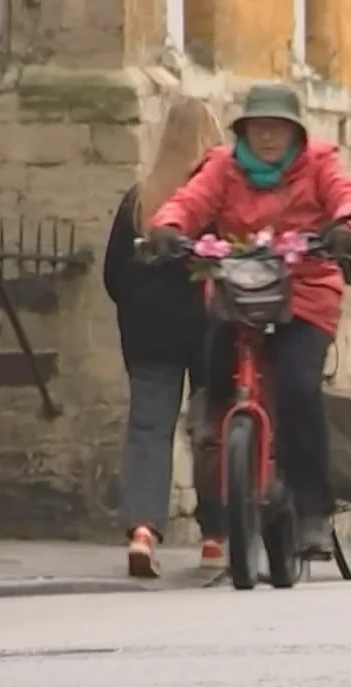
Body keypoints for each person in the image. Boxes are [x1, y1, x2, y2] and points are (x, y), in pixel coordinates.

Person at [142, 82, 351, 559]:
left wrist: (345, 226)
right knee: (215, 362)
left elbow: (346, 195)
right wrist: (167, 228)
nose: (268, 138)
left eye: (278, 129)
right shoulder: (223, 166)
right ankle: (220, 436)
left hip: (304, 290)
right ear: (244, 131)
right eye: (259, 128)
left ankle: (312, 511)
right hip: (239, 287)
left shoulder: (319, 163)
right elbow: (190, 201)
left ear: (295, 133)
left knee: (298, 385)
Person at [104, 95, 230, 577]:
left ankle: (143, 529)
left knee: (148, 429)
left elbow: (114, 274)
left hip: (149, 332)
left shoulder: (139, 201)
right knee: (210, 430)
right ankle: (215, 536)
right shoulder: (215, 204)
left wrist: (139, 309)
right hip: (208, 328)